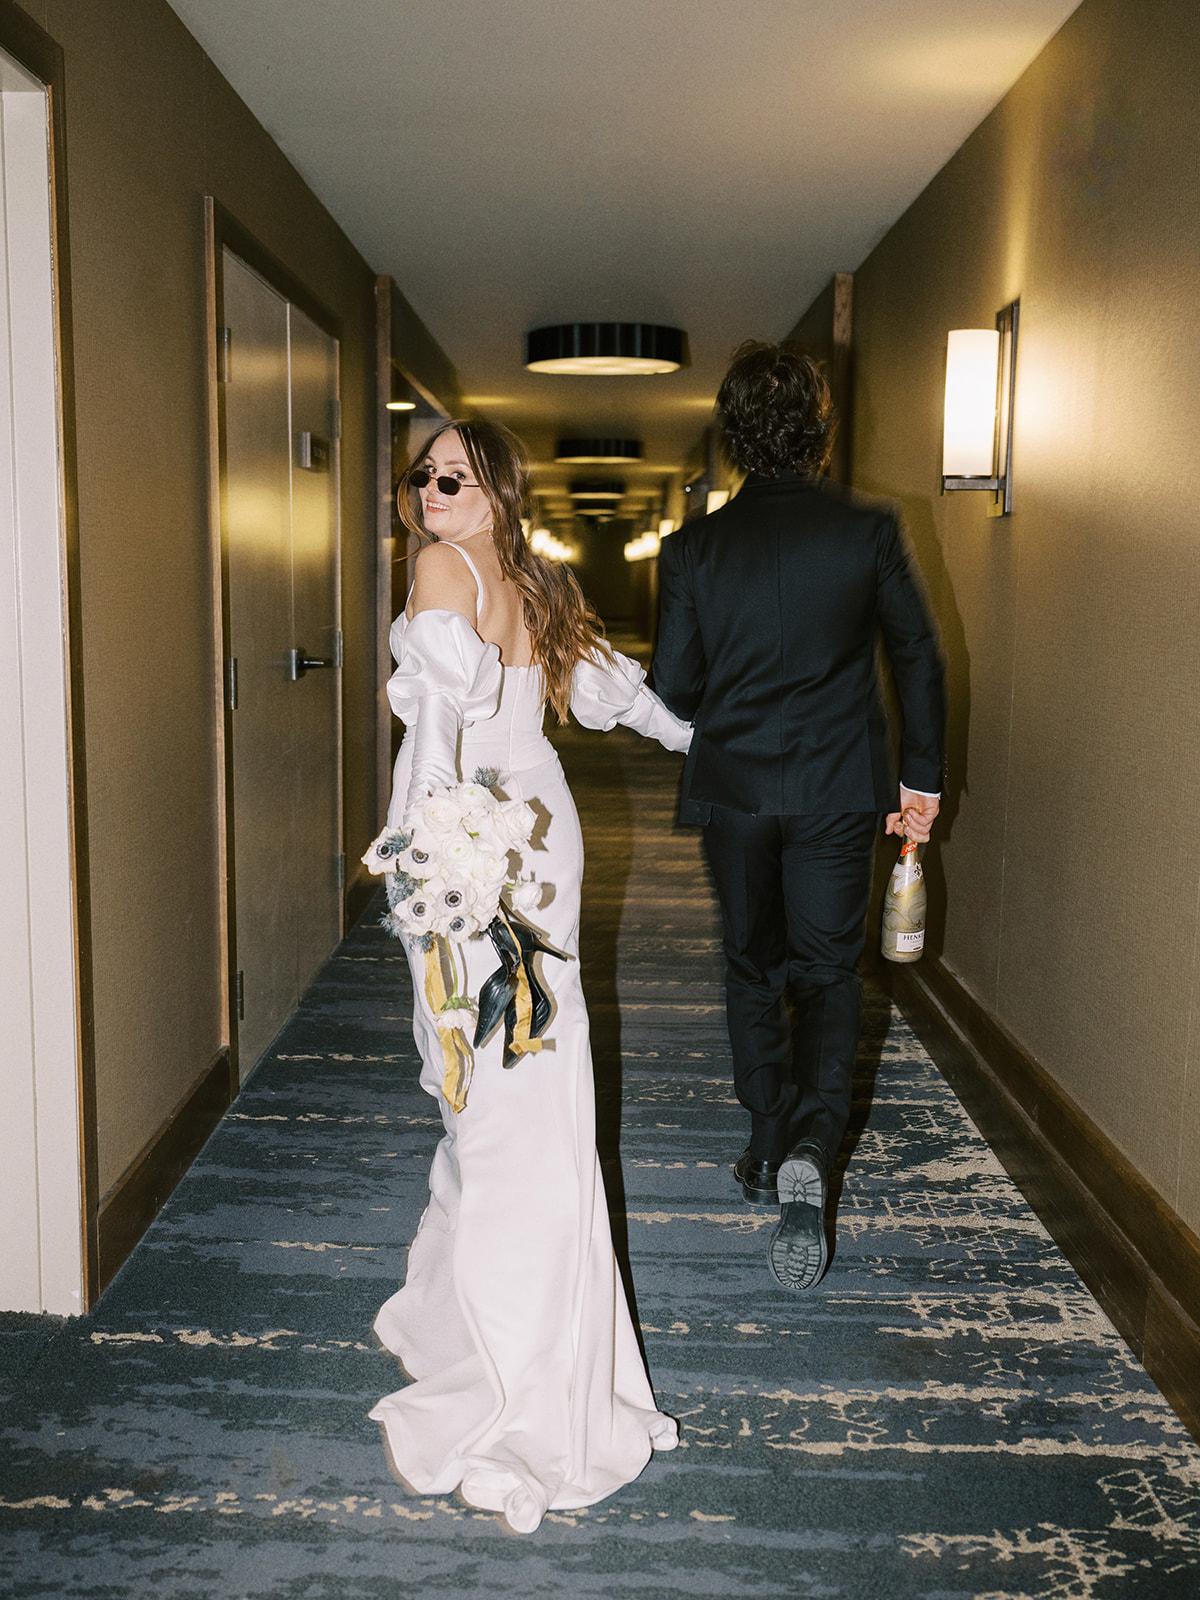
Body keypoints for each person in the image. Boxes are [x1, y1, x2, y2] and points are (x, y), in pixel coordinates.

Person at [369, 418, 690, 1533]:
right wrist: (707, 738)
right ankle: (500, 1327)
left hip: (484, 854)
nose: (429, 489)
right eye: (419, 475)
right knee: (527, 1096)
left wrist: (428, 865)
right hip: (537, 834)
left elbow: (441, 727)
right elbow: (618, 698)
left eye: (452, 474)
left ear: (496, 487)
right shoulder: (531, 579)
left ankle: (515, 1383)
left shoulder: (440, 568)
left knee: (492, 1096)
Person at [652, 341, 945, 1292]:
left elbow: (678, 687)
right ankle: (815, 1144)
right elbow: (916, 658)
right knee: (827, 972)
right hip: (837, 789)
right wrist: (920, 781)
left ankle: (767, 1135)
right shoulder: (869, 530)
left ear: (733, 438)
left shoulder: (693, 549)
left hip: (737, 791)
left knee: (750, 964)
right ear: (820, 430)